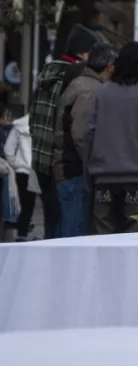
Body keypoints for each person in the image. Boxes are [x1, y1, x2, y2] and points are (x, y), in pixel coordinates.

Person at [82, 43, 138, 234]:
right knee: (134, 244)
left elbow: (88, 136)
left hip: (103, 179)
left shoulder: (101, 93)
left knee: (102, 242)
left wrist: (88, 177)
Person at [29, 23, 99, 237]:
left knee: (51, 222)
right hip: (60, 161)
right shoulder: (72, 77)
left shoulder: (46, 74)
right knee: (68, 226)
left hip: (40, 158)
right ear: (82, 53)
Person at [53, 42, 118, 237]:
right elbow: (81, 137)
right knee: (74, 237)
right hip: (76, 173)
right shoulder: (90, 91)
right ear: (110, 65)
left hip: (71, 171)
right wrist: (96, 168)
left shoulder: (83, 84)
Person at [4, 113, 37, 241]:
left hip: (22, 171)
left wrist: (16, 164)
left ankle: (21, 234)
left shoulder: (19, 126)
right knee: (46, 205)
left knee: (26, 206)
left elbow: (8, 149)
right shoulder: (43, 122)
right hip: (36, 169)